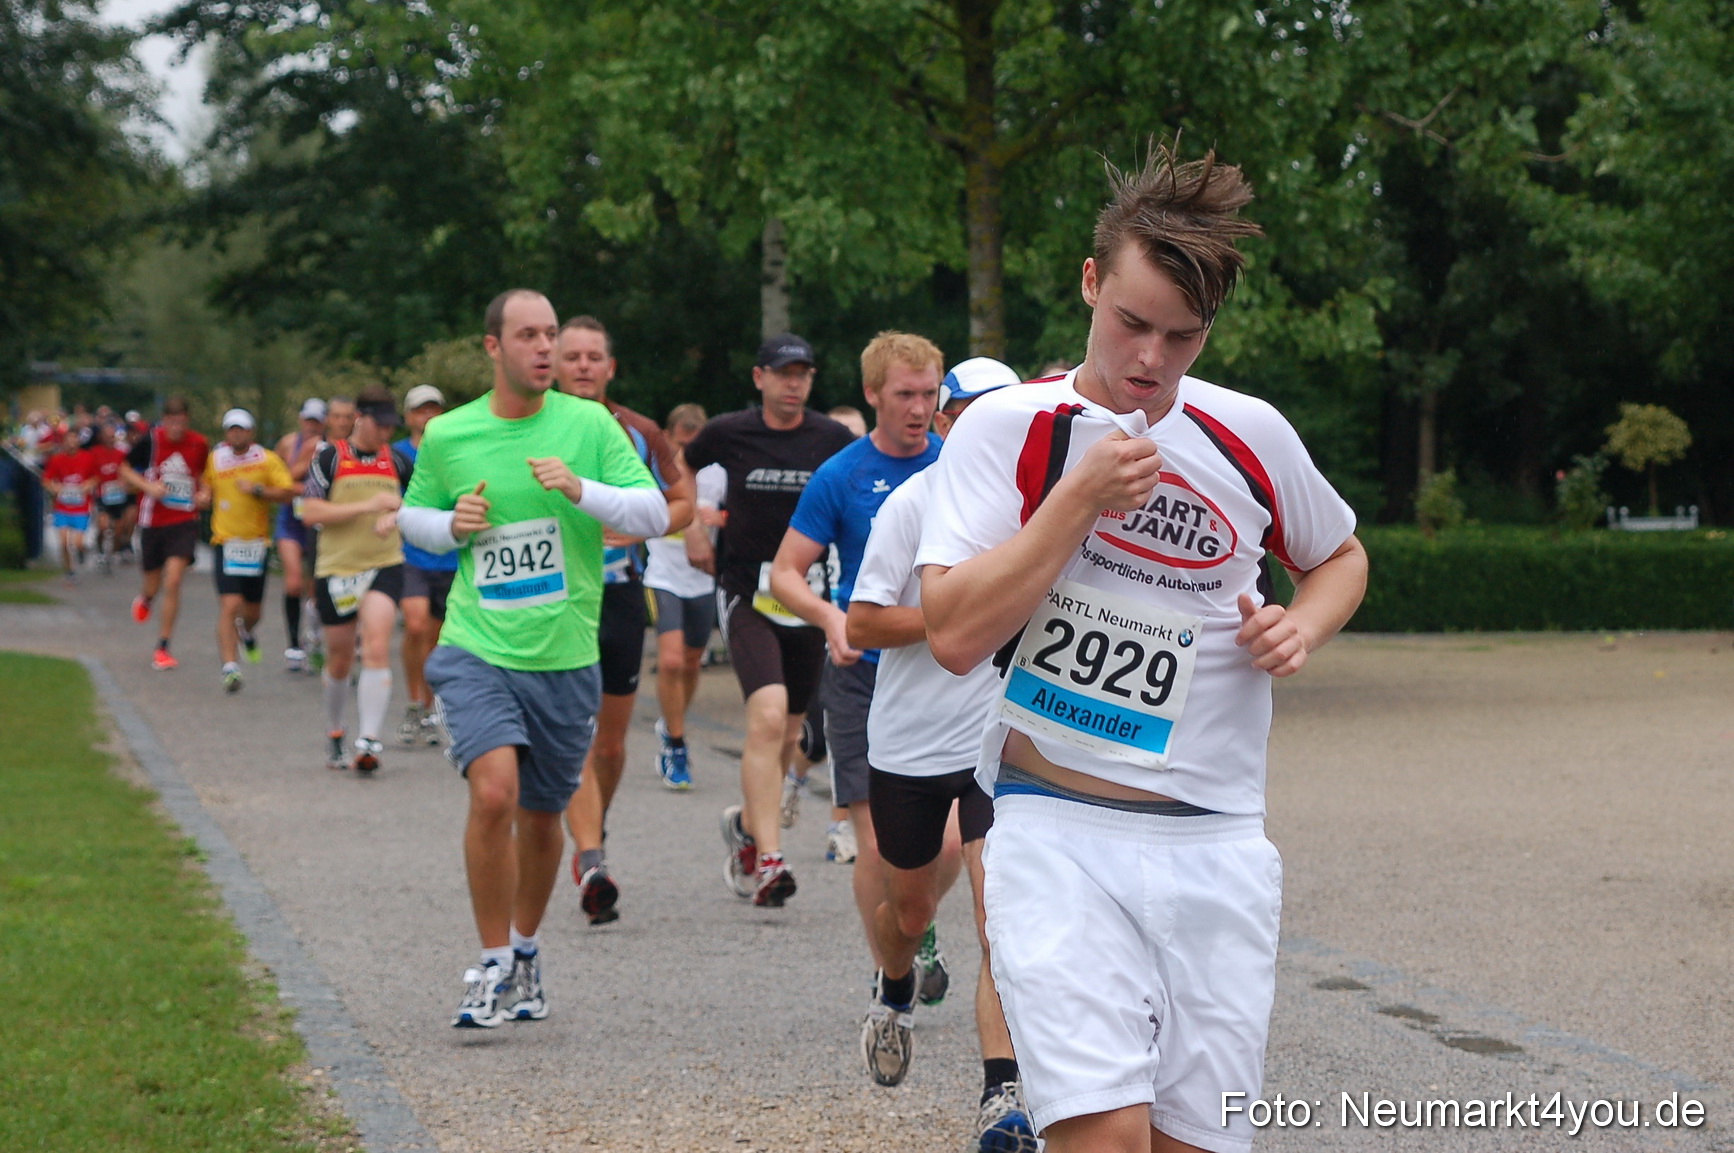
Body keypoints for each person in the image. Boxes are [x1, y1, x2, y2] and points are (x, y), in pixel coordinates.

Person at [916, 147, 1369, 1153]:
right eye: (1131, 323)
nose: (1152, 359)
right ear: (1089, 282)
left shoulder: (1249, 433)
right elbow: (951, 633)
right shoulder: (1009, 432)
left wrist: (1303, 622)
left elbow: (1338, 556)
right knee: (1104, 1135)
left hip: (1215, 842)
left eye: (1182, 335)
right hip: (1053, 830)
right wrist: (1077, 500)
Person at [396, 287, 666, 1030]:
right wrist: (450, 524)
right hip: (476, 643)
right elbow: (411, 517)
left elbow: (655, 512)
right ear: (494, 347)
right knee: (494, 792)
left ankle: (523, 952)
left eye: (551, 334)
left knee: (545, 815)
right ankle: (489, 964)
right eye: (529, 336)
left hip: (565, 648)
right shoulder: (449, 434)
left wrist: (582, 489)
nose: (544, 348)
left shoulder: (589, 425)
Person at [846, 357, 1037, 1149]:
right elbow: (859, 625)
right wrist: (955, 617)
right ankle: (895, 987)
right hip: (911, 742)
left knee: (1001, 920)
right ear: (950, 423)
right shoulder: (912, 506)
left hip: (999, 740)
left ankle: (1005, 1094)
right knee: (912, 909)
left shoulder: (1039, 510)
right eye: (976, 414)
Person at [768, 331, 954, 985]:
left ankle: (916, 914)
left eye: (930, 393)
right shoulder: (842, 474)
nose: (918, 407)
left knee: (951, 841)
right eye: (904, 393)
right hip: (860, 673)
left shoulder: (957, 466)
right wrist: (828, 617)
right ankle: (891, 968)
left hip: (942, 677)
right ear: (872, 393)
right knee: (875, 840)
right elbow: (786, 572)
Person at [682, 333, 855, 907]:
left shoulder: (831, 438)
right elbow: (682, 465)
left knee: (789, 729)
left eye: (803, 373)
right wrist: (691, 528)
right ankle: (772, 860)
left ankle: (750, 833)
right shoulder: (729, 432)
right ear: (759, 378)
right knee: (769, 713)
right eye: (783, 373)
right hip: (747, 593)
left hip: (808, 599)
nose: (794, 383)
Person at [553, 315, 694, 926]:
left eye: (594, 357)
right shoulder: (531, 427)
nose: (583, 366)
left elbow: (684, 502)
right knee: (574, 735)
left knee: (610, 741)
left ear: (610, 368)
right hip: (554, 602)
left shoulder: (638, 431)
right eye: (572, 356)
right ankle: (591, 859)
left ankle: (593, 827)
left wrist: (645, 522)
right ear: (554, 366)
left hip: (617, 595)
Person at [298, 382, 414, 774]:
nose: (385, 433)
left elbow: (416, 507)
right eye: (379, 425)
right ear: (360, 418)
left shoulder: (397, 461)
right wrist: (369, 505)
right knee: (340, 658)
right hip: (337, 569)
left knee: (378, 645)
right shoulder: (330, 457)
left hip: (384, 564)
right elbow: (309, 512)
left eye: (389, 426)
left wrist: (395, 514)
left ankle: (368, 739)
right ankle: (335, 731)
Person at [643, 403, 725, 790]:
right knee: (672, 661)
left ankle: (670, 722)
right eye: (679, 444)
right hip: (663, 575)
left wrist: (719, 520)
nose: (685, 455)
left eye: (694, 446)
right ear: (668, 438)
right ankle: (676, 745)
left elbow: (736, 513)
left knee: (691, 664)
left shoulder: (718, 474)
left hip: (704, 580)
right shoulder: (654, 473)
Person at [200, 409, 294, 692]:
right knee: (230, 605)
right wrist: (204, 496)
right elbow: (207, 487)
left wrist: (258, 491)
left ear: (251, 432)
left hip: (256, 545)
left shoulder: (266, 459)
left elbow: (288, 492)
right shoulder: (216, 459)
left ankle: (246, 631)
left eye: (241, 429)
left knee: (253, 612)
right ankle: (230, 667)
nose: (236, 434)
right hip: (226, 543)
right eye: (231, 429)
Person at [121, 396, 211, 670]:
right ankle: (146, 598)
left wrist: (205, 493)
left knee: (173, 581)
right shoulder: (151, 441)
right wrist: (148, 487)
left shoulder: (199, 443)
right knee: (153, 584)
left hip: (183, 521)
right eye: (171, 422)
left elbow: (205, 474)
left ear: (188, 420)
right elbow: (124, 468)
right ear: (164, 420)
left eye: (181, 422)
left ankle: (163, 646)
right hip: (152, 522)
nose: (176, 428)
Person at [395, 385, 458, 745]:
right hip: (410, 556)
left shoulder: (456, 453)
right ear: (409, 417)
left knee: (435, 638)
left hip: (450, 557)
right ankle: (414, 701)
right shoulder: (398, 455)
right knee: (415, 625)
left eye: (435, 410)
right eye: (421, 410)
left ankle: (429, 707)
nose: (428, 416)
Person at [274, 398, 327, 672]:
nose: (312, 426)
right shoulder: (288, 443)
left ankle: (315, 640)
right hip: (290, 523)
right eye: (308, 420)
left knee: (316, 589)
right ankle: (293, 645)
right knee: (293, 583)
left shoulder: (332, 447)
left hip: (318, 525)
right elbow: (278, 481)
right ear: (300, 420)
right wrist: (305, 459)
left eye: (317, 422)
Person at [42, 428, 96, 583]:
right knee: (64, 543)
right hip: (62, 508)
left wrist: (88, 484)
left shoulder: (88, 457)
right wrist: (54, 487)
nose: (71, 443)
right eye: (68, 440)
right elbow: (46, 480)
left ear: (79, 441)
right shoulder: (57, 459)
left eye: (74, 439)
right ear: (64, 442)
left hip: (81, 507)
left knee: (78, 543)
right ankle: (70, 571)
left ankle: (81, 552)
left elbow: (97, 477)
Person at [88, 423, 135, 573]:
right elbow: (89, 472)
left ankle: (111, 554)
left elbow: (127, 470)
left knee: (119, 529)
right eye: (107, 436)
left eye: (112, 436)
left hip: (118, 496)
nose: (110, 439)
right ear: (101, 437)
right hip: (103, 495)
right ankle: (100, 549)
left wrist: (124, 482)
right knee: (103, 525)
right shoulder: (95, 452)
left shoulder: (122, 453)